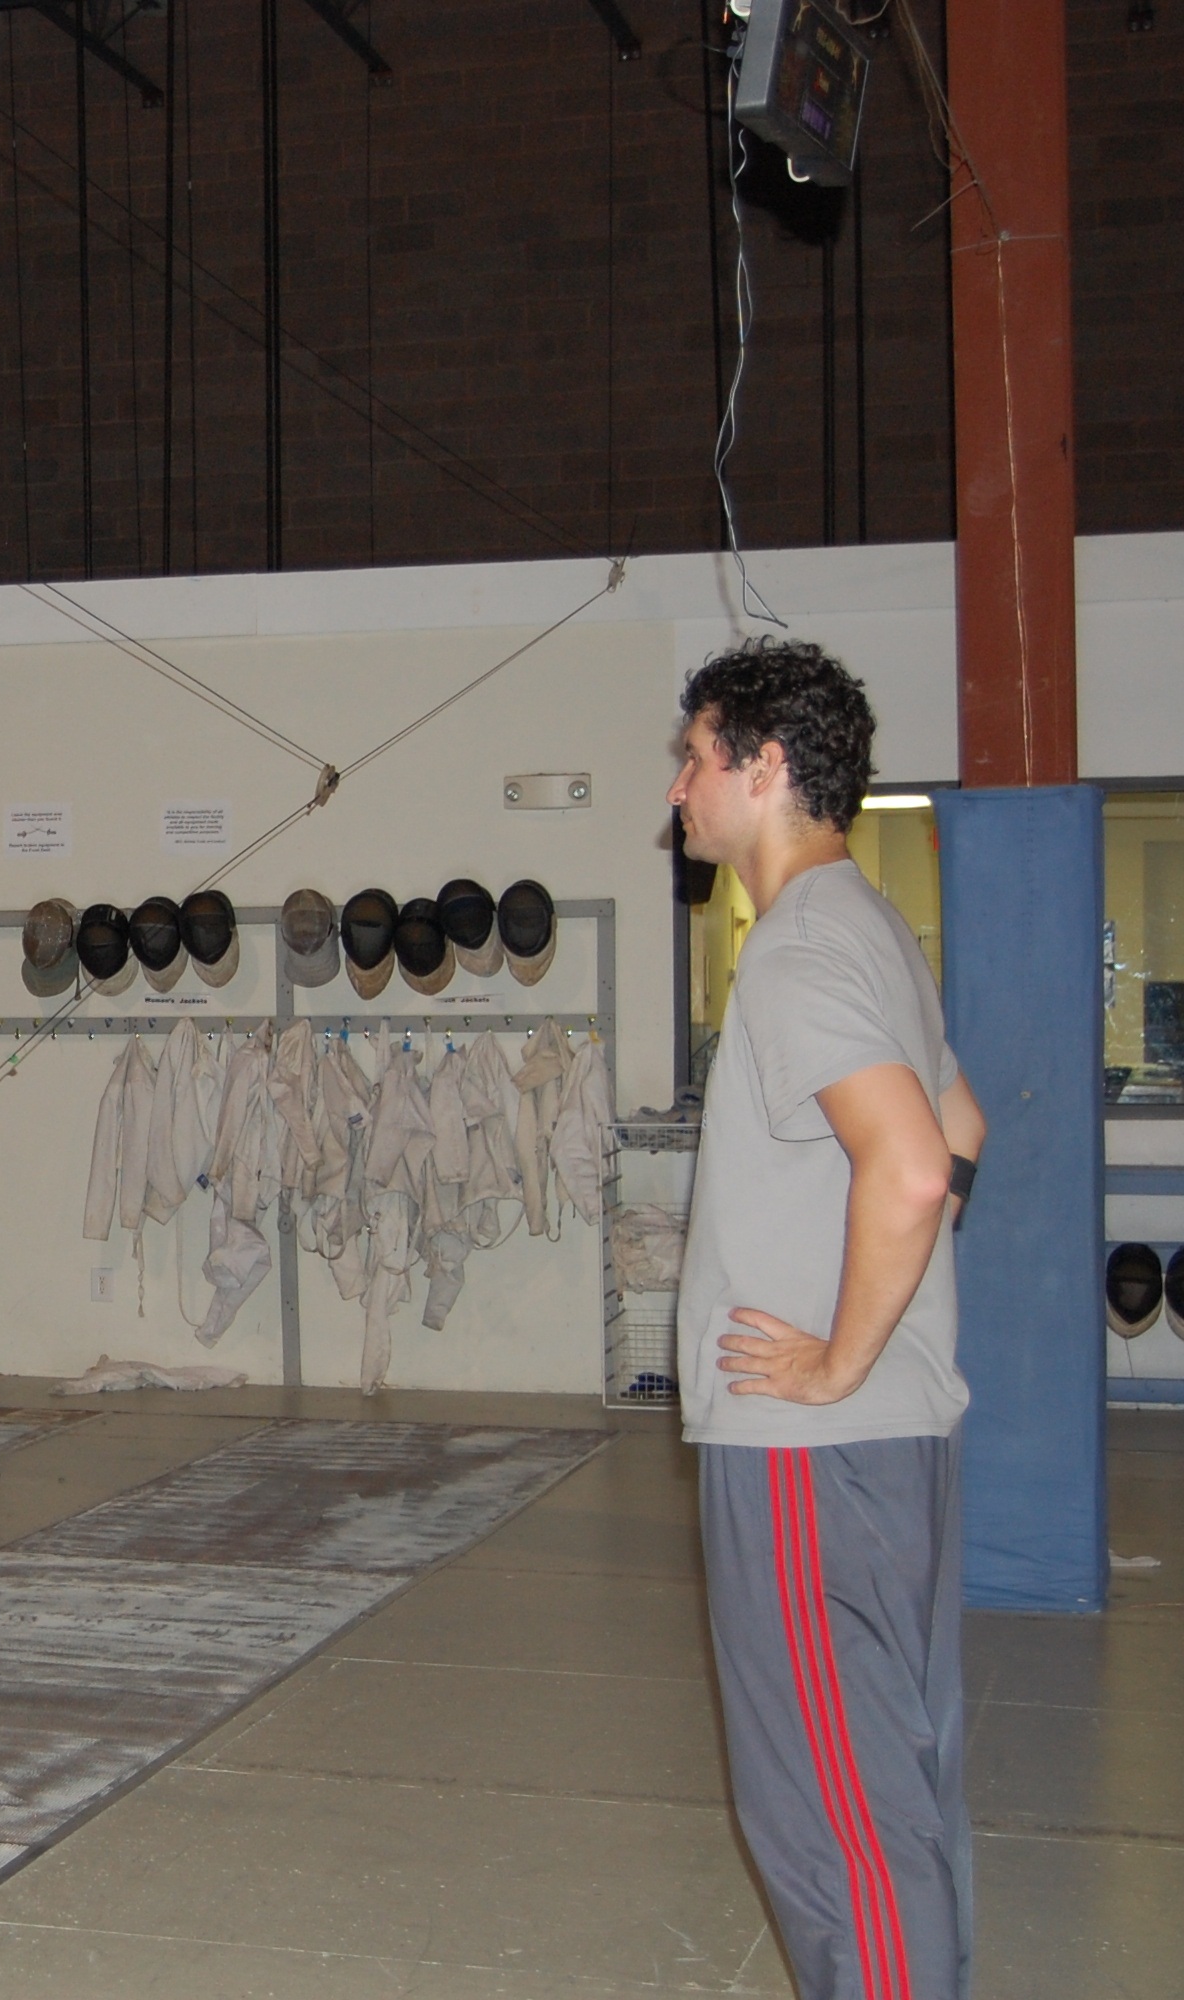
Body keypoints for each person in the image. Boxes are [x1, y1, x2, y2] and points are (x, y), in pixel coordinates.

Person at [667, 643, 987, 2000]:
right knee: (892, 1786)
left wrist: (837, 1356)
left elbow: (910, 1168)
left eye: (692, 757)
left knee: (833, 1817)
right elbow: (958, 1130)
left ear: (764, 767)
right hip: (883, 1445)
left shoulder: (799, 945)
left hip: (812, 1453)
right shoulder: (868, 926)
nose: (676, 789)